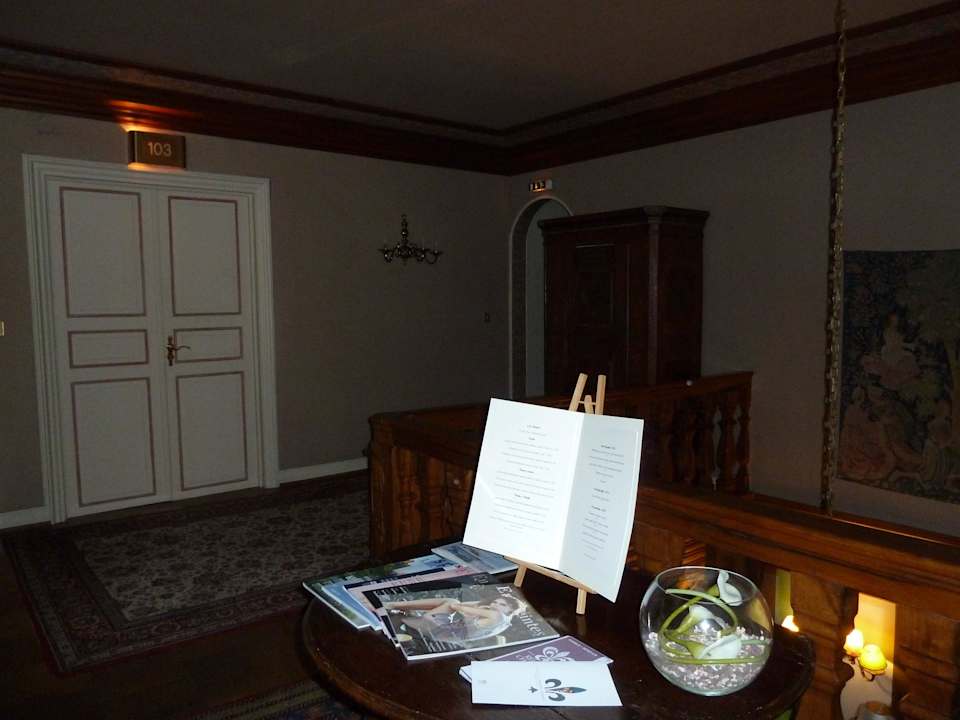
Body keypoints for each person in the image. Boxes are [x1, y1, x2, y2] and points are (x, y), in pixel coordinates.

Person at [383, 593, 524, 647]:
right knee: (450, 603)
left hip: (437, 632)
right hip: (446, 636)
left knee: (451, 601)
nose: (495, 605)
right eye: (495, 602)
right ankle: (401, 608)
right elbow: (465, 614)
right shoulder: (504, 622)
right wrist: (479, 606)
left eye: (502, 605)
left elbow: (456, 607)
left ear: (511, 609)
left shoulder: (496, 615)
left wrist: (480, 606)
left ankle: (394, 605)